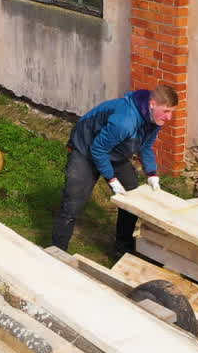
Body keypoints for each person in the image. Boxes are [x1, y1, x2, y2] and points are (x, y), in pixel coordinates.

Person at [51, 85, 178, 256]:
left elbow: (146, 147)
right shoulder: (125, 121)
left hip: (113, 152)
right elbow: (98, 149)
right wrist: (112, 179)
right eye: (167, 111)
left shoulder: (155, 120)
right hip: (86, 150)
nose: (169, 117)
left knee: (132, 199)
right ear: (153, 104)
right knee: (73, 202)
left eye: (172, 112)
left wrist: (152, 174)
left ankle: (122, 249)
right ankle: (57, 252)